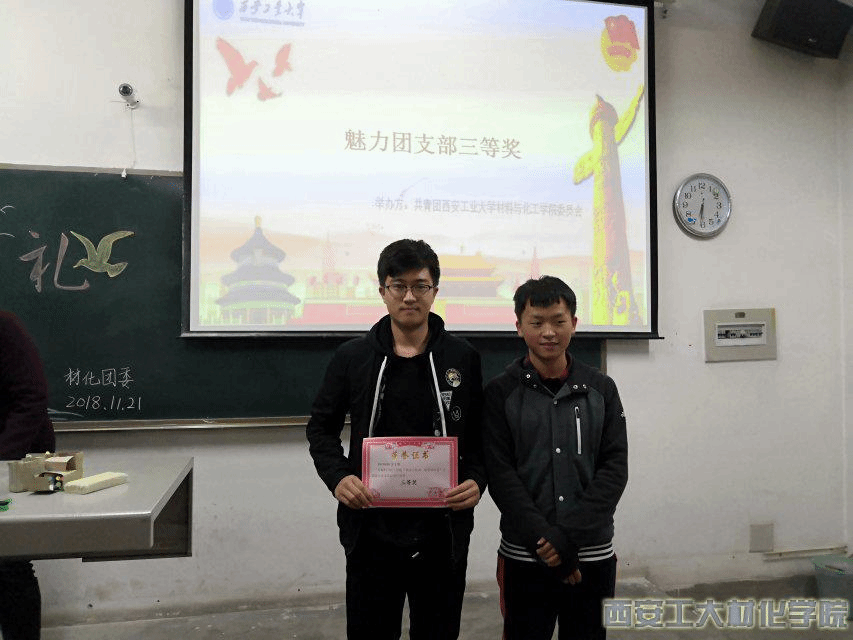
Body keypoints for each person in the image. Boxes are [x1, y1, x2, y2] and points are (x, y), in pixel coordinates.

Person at [306, 239, 486, 640]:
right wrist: (338, 477)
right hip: (371, 528)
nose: (409, 296)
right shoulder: (353, 357)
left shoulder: (462, 357)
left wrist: (477, 479)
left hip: (442, 529)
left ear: (434, 291)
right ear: (382, 290)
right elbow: (320, 428)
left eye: (420, 286)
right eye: (398, 285)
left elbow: (479, 433)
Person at [483, 276, 628, 640]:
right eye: (536, 322)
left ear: (574, 324)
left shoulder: (601, 389)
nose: (548, 332)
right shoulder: (500, 393)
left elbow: (614, 470)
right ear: (519, 327)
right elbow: (501, 475)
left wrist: (568, 537)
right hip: (525, 554)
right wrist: (547, 540)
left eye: (558, 321)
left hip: (592, 553)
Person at [0, 310, 56, 640]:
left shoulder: (3, 326)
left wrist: (1, 461)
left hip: (21, 458)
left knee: (9, 562)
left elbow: (32, 398)